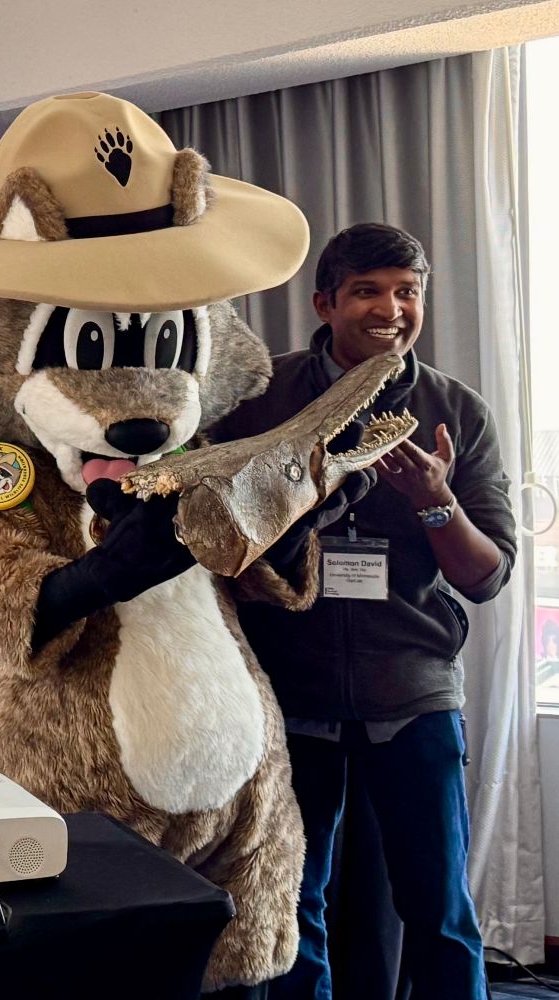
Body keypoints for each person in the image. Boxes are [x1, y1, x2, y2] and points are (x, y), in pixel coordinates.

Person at [212, 222, 517, 1000]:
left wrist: (436, 503)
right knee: (291, 907)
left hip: (411, 697)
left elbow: (486, 578)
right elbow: (212, 542)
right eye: (369, 292)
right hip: (289, 695)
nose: (392, 309)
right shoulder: (260, 402)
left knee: (440, 912)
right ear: (326, 303)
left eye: (408, 292)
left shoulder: (458, 411)